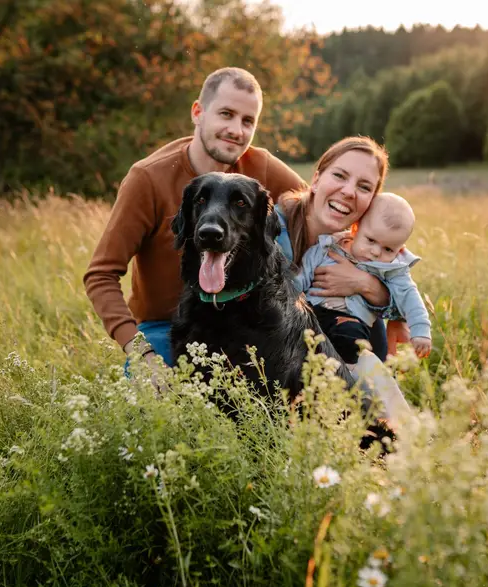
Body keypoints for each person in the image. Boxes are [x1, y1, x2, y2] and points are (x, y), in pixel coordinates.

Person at [83, 67, 305, 367]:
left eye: (247, 121)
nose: (236, 130)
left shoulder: (260, 166)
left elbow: (320, 207)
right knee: (163, 394)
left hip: (246, 321)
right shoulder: (147, 179)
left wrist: (360, 278)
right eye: (226, 114)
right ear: (198, 112)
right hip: (164, 326)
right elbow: (100, 274)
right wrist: (139, 351)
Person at [274, 137, 414, 362]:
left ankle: (371, 378)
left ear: (371, 204)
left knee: (358, 307)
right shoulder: (274, 231)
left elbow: (402, 282)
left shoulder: (360, 244)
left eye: (364, 187)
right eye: (339, 175)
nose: (349, 192)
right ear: (316, 180)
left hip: (329, 347)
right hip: (274, 352)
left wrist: (365, 284)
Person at [293, 191, 432, 364]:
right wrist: (290, 299)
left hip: (348, 320)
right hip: (311, 310)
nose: (376, 252)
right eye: (371, 240)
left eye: (388, 249)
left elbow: (410, 297)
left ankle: (343, 369)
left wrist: (421, 331)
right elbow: (302, 277)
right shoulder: (327, 247)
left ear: (400, 250)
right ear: (355, 229)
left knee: (351, 339)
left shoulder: (392, 269)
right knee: (295, 334)